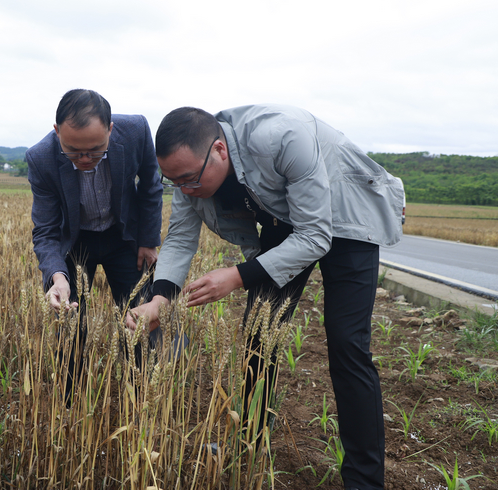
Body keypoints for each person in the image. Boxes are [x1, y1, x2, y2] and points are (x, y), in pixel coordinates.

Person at [127, 104, 404, 490]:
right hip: (288, 220)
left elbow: (316, 236)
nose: (186, 190)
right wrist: (160, 299)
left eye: (190, 179)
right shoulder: (188, 173)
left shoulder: (282, 136)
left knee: (347, 344)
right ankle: (250, 447)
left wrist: (238, 276)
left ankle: (365, 480)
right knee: (259, 337)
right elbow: (180, 238)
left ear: (220, 151)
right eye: (175, 182)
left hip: (346, 216)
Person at [26, 89, 163, 397]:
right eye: (74, 151)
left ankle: (140, 398)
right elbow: (46, 230)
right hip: (74, 242)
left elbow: (151, 185)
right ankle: (70, 404)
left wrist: (148, 240)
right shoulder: (41, 158)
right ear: (57, 131)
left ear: (111, 130)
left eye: (96, 150)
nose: (85, 159)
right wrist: (56, 277)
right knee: (70, 324)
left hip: (123, 236)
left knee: (139, 320)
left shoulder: (136, 131)